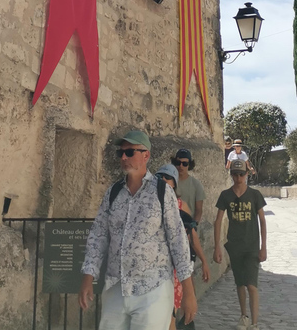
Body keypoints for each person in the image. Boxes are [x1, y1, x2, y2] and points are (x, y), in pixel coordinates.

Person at [79, 130, 197, 329]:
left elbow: (178, 241)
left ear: (146, 155)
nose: (124, 157)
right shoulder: (113, 193)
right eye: (121, 153)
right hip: (116, 286)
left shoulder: (161, 192)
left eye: (130, 152)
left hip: (153, 289)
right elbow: (98, 236)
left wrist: (189, 292)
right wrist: (88, 277)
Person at [213, 159, 267, 330]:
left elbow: (262, 221)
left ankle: (255, 323)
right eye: (235, 174)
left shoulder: (255, 195)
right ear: (231, 175)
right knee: (240, 283)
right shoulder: (225, 195)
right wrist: (217, 246)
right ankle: (244, 316)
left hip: (251, 245)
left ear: (247, 174)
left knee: (251, 284)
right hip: (234, 245)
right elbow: (218, 220)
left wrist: (263, 246)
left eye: (241, 174)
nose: (238, 178)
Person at [155, 164, 210, 330]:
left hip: (175, 267)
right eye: (160, 177)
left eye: (168, 177)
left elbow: (191, 235)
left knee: (170, 313)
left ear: (174, 184)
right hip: (154, 268)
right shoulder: (148, 204)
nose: (163, 180)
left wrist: (204, 261)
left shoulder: (181, 206)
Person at [172, 149, 205, 224]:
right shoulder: (169, 182)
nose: (181, 166)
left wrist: (194, 225)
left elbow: (199, 210)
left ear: (189, 165)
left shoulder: (196, 184)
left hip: (188, 226)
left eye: (184, 164)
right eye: (178, 162)